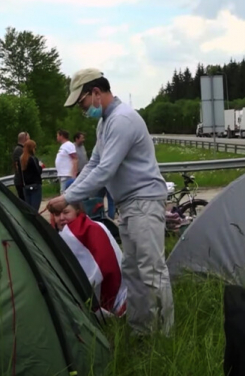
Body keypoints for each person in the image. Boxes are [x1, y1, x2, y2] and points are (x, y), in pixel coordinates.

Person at [45, 68, 173, 336]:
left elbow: (105, 171)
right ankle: (141, 331)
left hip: (144, 201)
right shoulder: (105, 123)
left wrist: (68, 197)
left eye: (82, 103)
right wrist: (66, 193)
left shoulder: (122, 120)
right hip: (129, 205)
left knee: (151, 270)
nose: (82, 110)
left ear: (95, 93)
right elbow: (93, 165)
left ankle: (165, 336)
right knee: (133, 271)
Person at [48, 201, 127, 318]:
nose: (61, 218)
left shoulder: (93, 228)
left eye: (66, 212)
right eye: (56, 214)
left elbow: (107, 262)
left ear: (77, 212)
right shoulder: (57, 236)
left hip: (111, 297)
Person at [18, 139, 43, 210]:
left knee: (29, 208)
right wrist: (40, 166)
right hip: (35, 185)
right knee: (35, 209)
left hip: (26, 186)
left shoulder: (21, 159)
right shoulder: (33, 159)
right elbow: (38, 171)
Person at [12, 131, 29, 200]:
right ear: (25, 139)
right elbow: (18, 166)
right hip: (21, 182)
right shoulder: (20, 150)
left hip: (21, 181)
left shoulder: (19, 149)